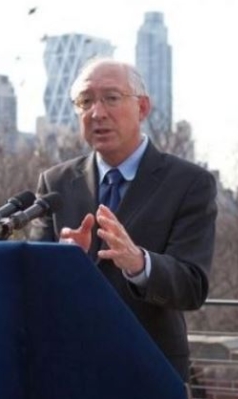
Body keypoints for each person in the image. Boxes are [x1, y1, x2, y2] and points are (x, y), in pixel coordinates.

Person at [29, 58, 218, 381]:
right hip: (69, 368)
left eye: (111, 98)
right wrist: (62, 263)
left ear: (142, 108)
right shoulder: (56, 183)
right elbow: (32, 282)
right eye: (85, 102)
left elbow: (192, 286)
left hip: (148, 366)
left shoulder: (189, 183)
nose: (97, 113)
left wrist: (139, 263)